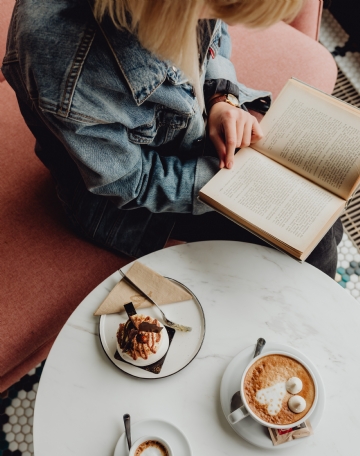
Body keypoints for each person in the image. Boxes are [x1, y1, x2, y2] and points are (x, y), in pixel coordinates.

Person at [1, 0, 342, 276]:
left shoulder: (176, 8)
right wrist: (230, 185)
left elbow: (213, 39)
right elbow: (132, 183)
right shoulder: (70, 70)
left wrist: (222, 98)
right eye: (220, 8)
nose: (220, 21)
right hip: (130, 202)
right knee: (316, 244)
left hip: (188, 141)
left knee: (322, 215)